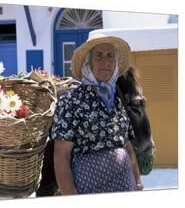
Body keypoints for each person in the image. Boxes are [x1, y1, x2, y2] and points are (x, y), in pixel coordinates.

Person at [51, 32, 143, 195]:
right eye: (98, 56)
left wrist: (137, 182)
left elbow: (128, 147)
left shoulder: (117, 101)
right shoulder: (71, 101)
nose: (105, 62)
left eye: (110, 56)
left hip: (126, 188)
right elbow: (61, 155)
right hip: (90, 190)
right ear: (88, 63)